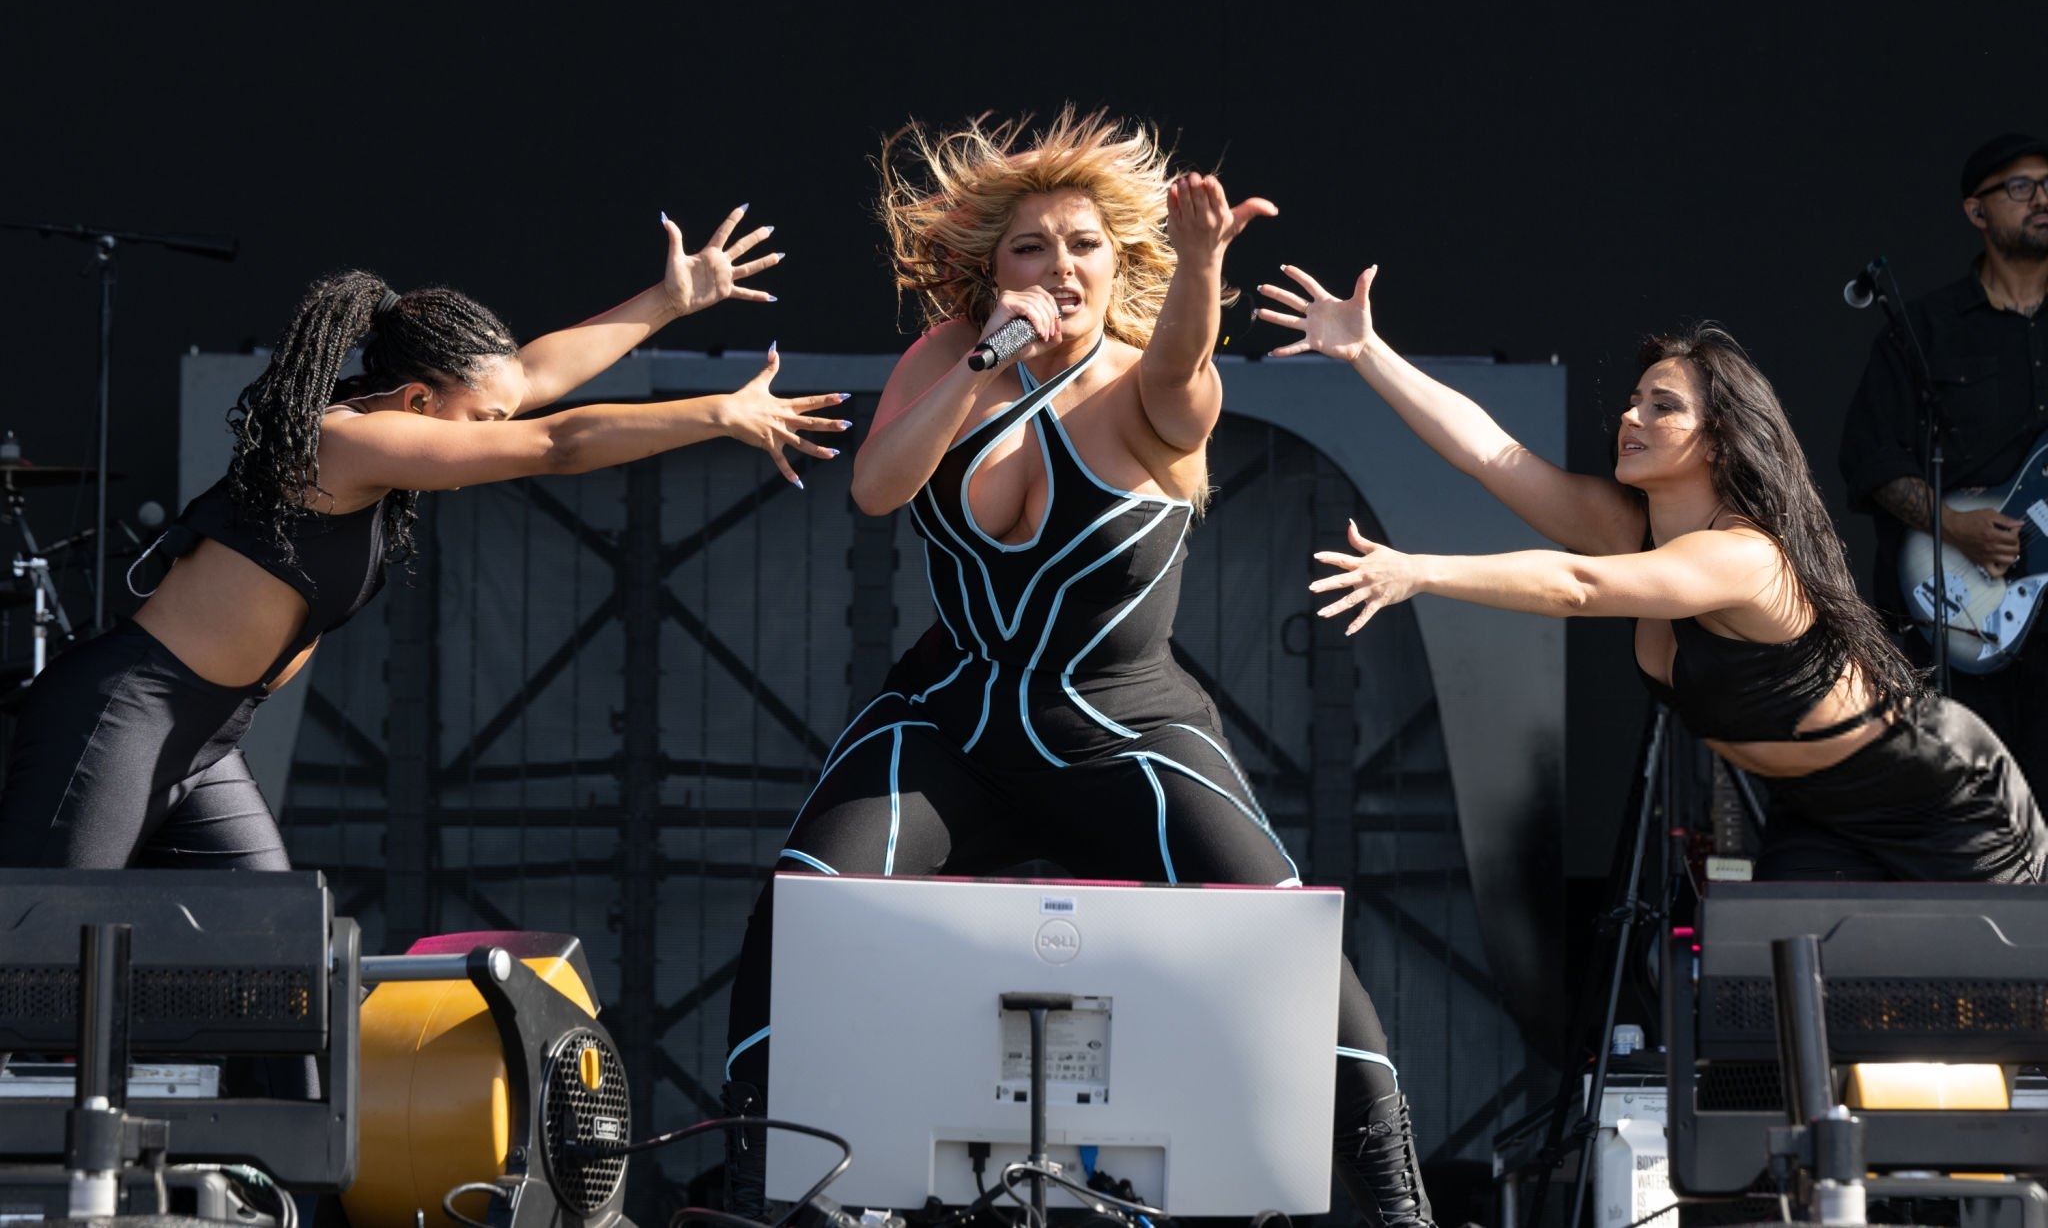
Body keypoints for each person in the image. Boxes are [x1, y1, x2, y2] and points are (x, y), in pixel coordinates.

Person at [721, 110, 1440, 1228]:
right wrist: (984, 360)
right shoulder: (950, 356)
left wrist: (1200, 264)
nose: (1059, 267)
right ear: (991, 270)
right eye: (1031, 247)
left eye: (1083, 245)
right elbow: (875, 488)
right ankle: (754, 1193)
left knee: (1284, 933)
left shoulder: (1148, 385)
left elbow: (1187, 371)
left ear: (1119, 264)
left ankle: (1399, 1208)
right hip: (948, 721)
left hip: (1123, 730)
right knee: (803, 907)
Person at [0, 206, 850, 870]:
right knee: (36, 963)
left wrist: (668, 300)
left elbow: (534, 376)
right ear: (416, 401)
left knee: (274, 978)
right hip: (123, 716)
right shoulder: (346, 441)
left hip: (209, 736)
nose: (495, 433)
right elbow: (556, 443)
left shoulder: (402, 421)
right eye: (483, 420)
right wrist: (719, 412)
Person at [1256, 265, 2045, 885]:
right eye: (1633, 401)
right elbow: (1491, 453)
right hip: (1820, 808)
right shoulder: (1626, 527)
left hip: (1944, 798)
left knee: (1988, 1008)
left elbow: (1581, 587)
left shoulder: (1745, 557)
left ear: (1721, 439)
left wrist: (1420, 570)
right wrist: (1368, 352)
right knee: (1779, 996)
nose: (1631, 417)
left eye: (1662, 406)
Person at [1839, 132, 2048, 801]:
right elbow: (1870, 458)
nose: (2042, 199)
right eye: (2021, 187)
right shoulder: (1924, 330)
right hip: (1964, 618)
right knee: (1966, 811)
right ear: (1976, 210)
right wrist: (1955, 527)